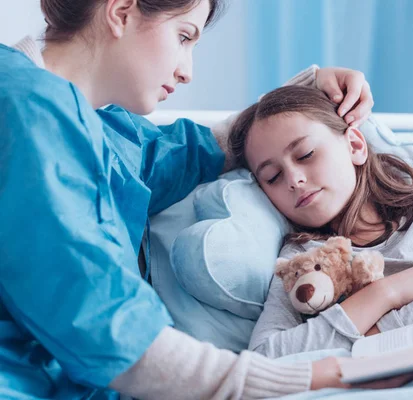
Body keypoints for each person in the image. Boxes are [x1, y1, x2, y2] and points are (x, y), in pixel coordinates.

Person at [0, 0, 388, 398]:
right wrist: (296, 378)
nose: (187, 72)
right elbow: (102, 325)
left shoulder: (92, 125)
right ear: (120, 12)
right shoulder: (28, 111)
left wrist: (307, 91)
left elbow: (190, 152)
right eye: (184, 36)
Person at [228, 85, 413, 358]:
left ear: (355, 144)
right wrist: (386, 293)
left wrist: (369, 334)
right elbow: (266, 356)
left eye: (305, 154)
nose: (294, 180)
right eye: (273, 177)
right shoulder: (299, 259)